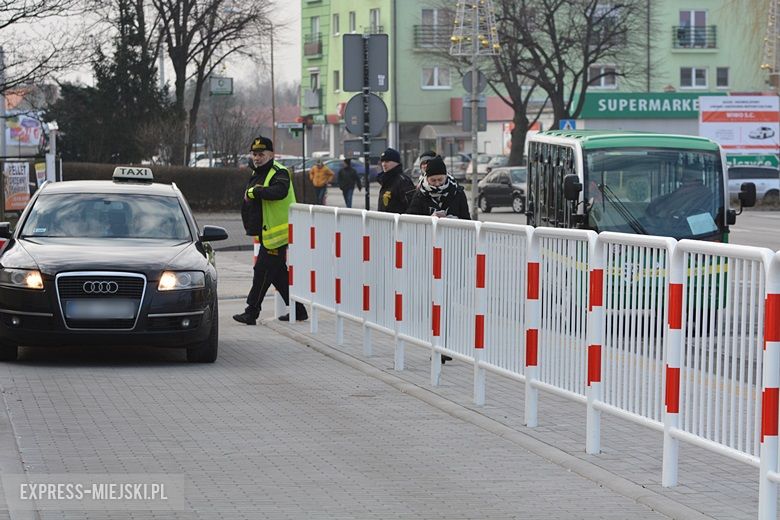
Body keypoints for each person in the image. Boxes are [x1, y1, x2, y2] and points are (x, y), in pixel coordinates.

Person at [235, 136, 308, 325]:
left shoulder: (279, 172)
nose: (257, 158)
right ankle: (299, 310)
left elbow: (279, 192)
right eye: (254, 154)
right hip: (266, 232)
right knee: (277, 274)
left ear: (271, 154)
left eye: (261, 154)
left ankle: (251, 312)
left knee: (262, 271)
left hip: (278, 234)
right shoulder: (257, 173)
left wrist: (255, 192)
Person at [406, 156, 470, 220]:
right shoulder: (420, 194)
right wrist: (429, 219)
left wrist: (455, 219)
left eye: (440, 180)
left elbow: (467, 219)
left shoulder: (457, 192)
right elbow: (412, 219)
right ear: (427, 179)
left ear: (446, 177)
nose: (437, 184)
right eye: (433, 180)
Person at [646, 164, 712, 220]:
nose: (682, 180)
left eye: (687, 177)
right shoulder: (681, 191)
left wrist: (666, 212)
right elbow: (669, 199)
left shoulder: (702, 193)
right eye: (683, 176)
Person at [377, 147, 415, 213]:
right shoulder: (385, 180)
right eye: (382, 161)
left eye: (387, 161)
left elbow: (411, 206)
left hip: (398, 221)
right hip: (384, 221)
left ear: (396, 162)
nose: (384, 164)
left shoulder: (403, 181)